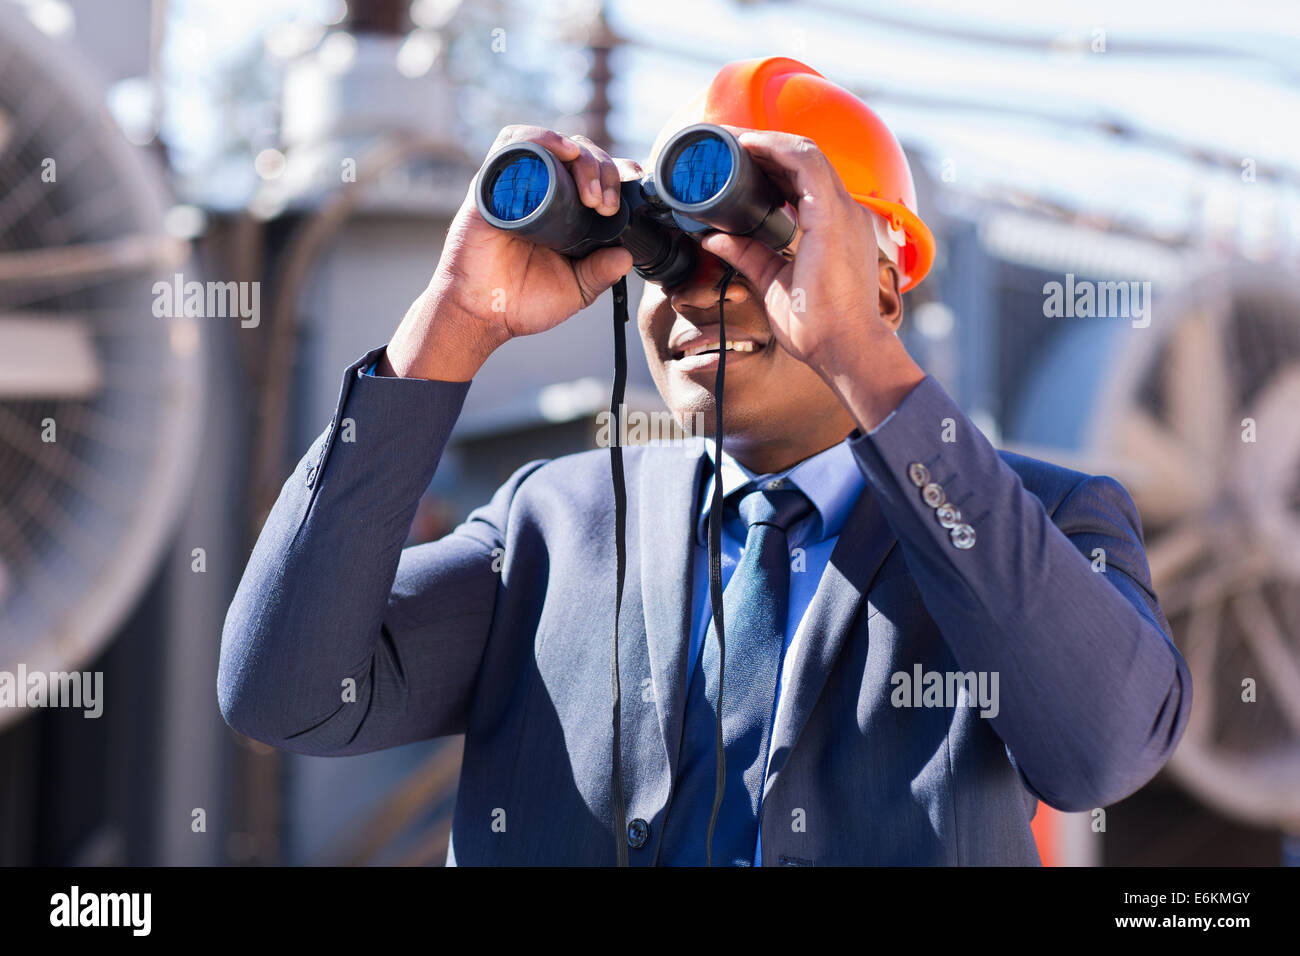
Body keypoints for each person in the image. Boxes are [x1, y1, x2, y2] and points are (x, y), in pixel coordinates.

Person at [218, 57, 1191, 866]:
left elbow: (1101, 748)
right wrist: (449, 327)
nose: (698, 293)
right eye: (668, 255)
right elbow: (283, 690)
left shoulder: (1041, 517)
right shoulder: (552, 526)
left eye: (762, 253)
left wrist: (860, 357)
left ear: (881, 291)